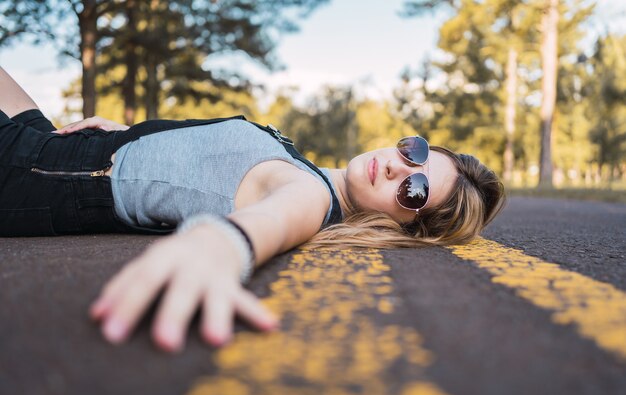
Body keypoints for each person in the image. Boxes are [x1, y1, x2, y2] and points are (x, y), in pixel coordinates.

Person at [0, 67, 506, 352]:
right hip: (56, 146)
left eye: (414, 192)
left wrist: (216, 246)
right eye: (414, 152)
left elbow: (269, 222)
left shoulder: (308, 194)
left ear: (404, 226)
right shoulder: (302, 161)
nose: (399, 168)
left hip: (27, 175)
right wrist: (132, 135)